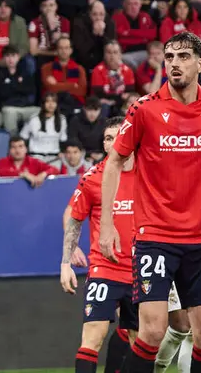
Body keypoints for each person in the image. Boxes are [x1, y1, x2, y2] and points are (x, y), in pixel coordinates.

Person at [98, 32, 201, 373]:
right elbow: (114, 162)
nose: (175, 63)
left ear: (200, 63)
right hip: (155, 237)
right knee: (151, 331)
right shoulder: (144, 109)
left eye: (183, 56)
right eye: (170, 57)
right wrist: (106, 225)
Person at [62, 117, 136, 373]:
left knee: (141, 341)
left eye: (118, 137)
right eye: (108, 138)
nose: (113, 143)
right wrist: (67, 260)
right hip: (105, 269)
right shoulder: (93, 177)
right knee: (93, 335)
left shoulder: (150, 172)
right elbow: (73, 216)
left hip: (142, 270)